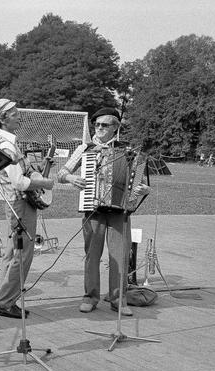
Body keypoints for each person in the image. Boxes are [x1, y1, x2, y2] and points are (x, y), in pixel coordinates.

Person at [57, 107, 150, 316]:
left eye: (104, 125)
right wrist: (72, 178)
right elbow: (61, 174)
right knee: (92, 255)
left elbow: (140, 183)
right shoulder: (85, 148)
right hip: (93, 209)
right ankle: (90, 296)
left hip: (120, 212)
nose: (98, 128)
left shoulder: (129, 151)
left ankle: (118, 299)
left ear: (115, 128)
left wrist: (145, 190)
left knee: (120, 255)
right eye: (96, 124)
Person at [0, 99, 54, 319]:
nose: (19, 116)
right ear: (3, 119)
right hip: (20, 205)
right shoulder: (7, 145)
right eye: (14, 113)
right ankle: (6, 302)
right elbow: (20, 183)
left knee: (11, 253)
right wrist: (45, 183)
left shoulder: (3, 140)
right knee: (22, 254)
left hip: (13, 204)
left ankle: (3, 297)